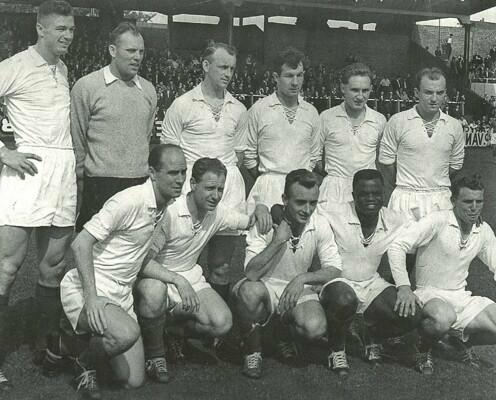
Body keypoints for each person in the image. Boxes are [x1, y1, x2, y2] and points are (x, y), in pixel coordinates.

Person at [43, 145, 187, 398]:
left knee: (133, 381)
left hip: (121, 294)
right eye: (173, 172)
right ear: (152, 172)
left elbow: (139, 260)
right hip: (88, 286)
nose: (180, 179)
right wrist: (92, 298)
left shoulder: (163, 209)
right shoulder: (129, 200)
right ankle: (84, 362)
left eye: (183, 172)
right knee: (127, 333)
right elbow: (80, 243)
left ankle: (65, 343)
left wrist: (177, 279)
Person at [135, 158, 271, 383]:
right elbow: (143, 263)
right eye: (209, 188)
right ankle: (155, 355)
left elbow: (248, 221)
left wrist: (261, 206)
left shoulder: (217, 212)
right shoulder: (169, 212)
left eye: (220, 189)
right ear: (193, 183)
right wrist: (178, 280)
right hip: (156, 276)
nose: (215, 195)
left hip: (190, 277)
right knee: (152, 291)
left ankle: (171, 330)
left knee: (222, 323)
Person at [0, 1, 75, 390]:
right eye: (60, 28)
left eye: (71, 29)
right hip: (25, 173)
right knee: (7, 268)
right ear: (41, 29)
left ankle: (45, 349)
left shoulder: (62, 70)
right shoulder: (14, 65)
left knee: (52, 268)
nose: (66, 35)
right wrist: (3, 152)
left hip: (62, 177)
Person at [161, 42, 251, 303]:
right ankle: (178, 321)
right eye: (223, 67)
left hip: (227, 188)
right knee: (179, 260)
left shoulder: (238, 109)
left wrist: (222, 183)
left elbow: (240, 155)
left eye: (232, 68)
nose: (228, 73)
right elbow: (169, 153)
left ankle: (213, 338)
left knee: (221, 266)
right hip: (189, 190)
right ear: (205, 66)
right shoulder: (182, 104)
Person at [234, 169, 342, 379]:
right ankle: (253, 351)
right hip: (265, 286)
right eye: (300, 202)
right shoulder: (266, 223)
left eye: (312, 203)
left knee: (315, 329)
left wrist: (302, 278)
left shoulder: (319, 223)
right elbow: (251, 272)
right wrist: (277, 241)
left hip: (296, 288)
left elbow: (335, 268)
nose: (307, 209)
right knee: (248, 291)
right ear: (284, 199)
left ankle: (281, 330)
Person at [388, 175, 496, 375]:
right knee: (443, 317)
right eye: (467, 201)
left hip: (460, 296)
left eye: (478, 201)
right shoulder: (437, 220)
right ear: (453, 201)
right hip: (430, 294)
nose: (474, 207)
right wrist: (403, 286)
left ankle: (456, 338)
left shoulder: (482, 229)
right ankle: (423, 348)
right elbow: (397, 246)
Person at [319, 169, 419, 376]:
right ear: (353, 195)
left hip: (371, 282)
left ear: (383, 194)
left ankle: (369, 330)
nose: (371, 199)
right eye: (364, 194)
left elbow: (424, 233)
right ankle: (337, 348)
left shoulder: (395, 219)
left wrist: (403, 285)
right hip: (338, 282)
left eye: (376, 193)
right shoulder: (333, 211)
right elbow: (298, 209)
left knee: (413, 315)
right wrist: (269, 211)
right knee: (345, 300)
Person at [71, 21, 157, 231]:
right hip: (99, 184)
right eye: (130, 50)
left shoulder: (148, 90)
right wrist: (82, 179)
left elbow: (145, 136)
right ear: (112, 50)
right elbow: (77, 137)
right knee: (94, 251)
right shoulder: (87, 86)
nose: (137, 57)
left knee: (132, 250)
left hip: (139, 182)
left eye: (141, 51)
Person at [379, 67, 465, 222]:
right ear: (416, 92)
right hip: (405, 198)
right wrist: (405, 184)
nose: (434, 98)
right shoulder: (398, 121)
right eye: (428, 92)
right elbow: (386, 163)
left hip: (441, 199)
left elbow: (455, 166)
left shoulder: (454, 126)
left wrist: (433, 181)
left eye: (439, 93)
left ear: (445, 93)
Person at [243, 47, 320, 214]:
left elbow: (314, 155)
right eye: (289, 76)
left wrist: (299, 183)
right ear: (276, 77)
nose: (295, 82)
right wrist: (269, 179)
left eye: (299, 75)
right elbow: (249, 156)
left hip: (301, 189)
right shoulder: (259, 109)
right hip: (267, 188)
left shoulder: (311, 112)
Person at [317, 63, 386, 209]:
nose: (360, 96)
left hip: (366, 192)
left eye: (365, 90)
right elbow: (316, 160)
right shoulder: (326, 117)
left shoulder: (379, 120)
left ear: (371, 90)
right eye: (355, 90)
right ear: (343, 88)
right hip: (333, 191)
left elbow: (381, 160)